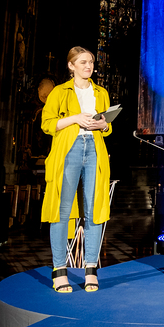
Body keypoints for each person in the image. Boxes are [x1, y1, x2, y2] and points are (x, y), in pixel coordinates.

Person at [40, 47, 112, 293]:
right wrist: (75, 118)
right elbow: (47, 124)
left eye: (91, 62)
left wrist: (103, 125)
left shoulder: (101, 92)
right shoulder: (60, 92)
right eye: (83, 62)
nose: (88, 66)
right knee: (61, 211)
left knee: (94, 210)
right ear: (71, 66)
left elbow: (107, 127)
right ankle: (59, 271)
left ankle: (90, 269)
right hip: (68, 150)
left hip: (94, 148)